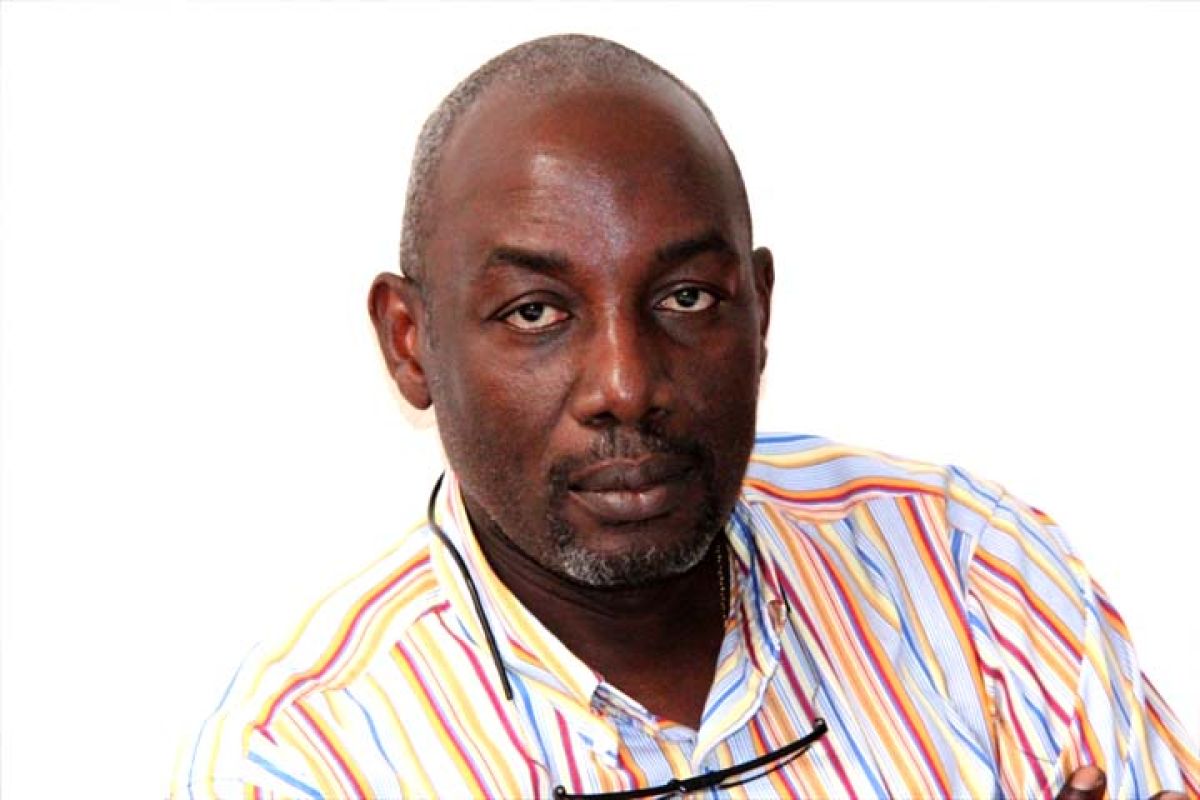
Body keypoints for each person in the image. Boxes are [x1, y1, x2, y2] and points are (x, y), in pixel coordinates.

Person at [174, 35, 1198, 799]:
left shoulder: (972, 581)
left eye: (687, 297)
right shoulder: (307, 758)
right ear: (411, 343)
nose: (626, 384)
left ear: (760, 313)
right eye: (536, 312)